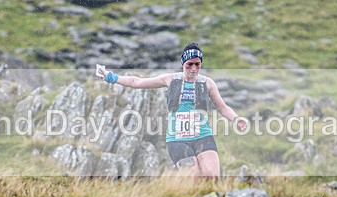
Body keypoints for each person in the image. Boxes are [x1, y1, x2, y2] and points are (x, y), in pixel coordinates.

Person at [98, 43, 248, 178]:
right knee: (193, 176)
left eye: (197, 64)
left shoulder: (207, 83)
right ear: (183, 63)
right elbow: (136, 82)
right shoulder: (170, 79)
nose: (194, 69)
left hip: (203, 136)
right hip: (178, 140)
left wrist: (236, 118)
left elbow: (223, 107)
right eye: (190, 64)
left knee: (212, 176)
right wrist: (110, 76)